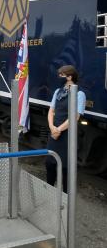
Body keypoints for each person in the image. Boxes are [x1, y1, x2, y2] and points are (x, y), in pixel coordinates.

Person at [46, 65, 86, 193]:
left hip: (67, 134)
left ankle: (66, 197)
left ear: (70, 77)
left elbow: (75, 116)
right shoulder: (58, 92)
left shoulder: (80, 94)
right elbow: (51, 111)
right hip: (54, 132)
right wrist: (52, 127)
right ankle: (49, 191)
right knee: (50, 163)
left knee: (65, 167)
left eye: (61, 75)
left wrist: (58, 130)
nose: (59, 77)